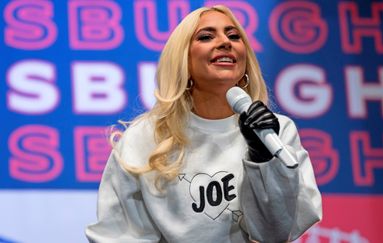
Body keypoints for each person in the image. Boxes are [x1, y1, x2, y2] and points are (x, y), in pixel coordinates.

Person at [85, 5, 322, 243]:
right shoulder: (145, 138)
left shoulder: (276, 132)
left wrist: (262, 158)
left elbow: (276, 233)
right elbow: (117, 235)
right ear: (183, 60)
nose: (225, 42)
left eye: (233, 36)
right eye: (206, 36)